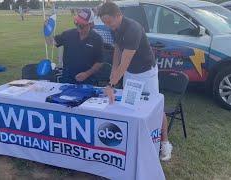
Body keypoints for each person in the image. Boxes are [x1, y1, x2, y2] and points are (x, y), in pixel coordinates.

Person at [98, 2, 173, 161]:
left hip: (146, 73)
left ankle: (165, 142)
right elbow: (117, 53)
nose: (108, 26)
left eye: (109, 22)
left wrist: (111, 85)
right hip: (130, 73)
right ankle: (136, 139)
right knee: (130, 106)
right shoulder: (115, 29)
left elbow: (125, 62)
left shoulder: (133, 29)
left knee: (155, 108)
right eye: (104, 23)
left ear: (118, 15)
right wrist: (113, 75)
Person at [45, 8, 103, 84]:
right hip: (67, 79)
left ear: (90, 24)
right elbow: (51, 42)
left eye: (82, 25)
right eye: (76, 23)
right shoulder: (68, 34)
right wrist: (47, 30)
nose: (78, 27)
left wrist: (87, 74)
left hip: (88, 81)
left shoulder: (97, 39)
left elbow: (99, 62)